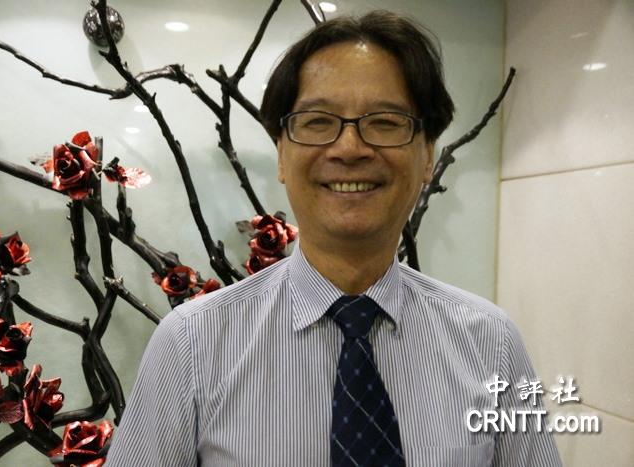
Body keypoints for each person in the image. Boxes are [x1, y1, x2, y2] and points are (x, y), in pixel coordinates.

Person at [105, 10, 561, 467]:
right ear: (281, 155)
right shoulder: (192, 344)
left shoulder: (491, 344)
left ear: (428, 156)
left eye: (385, 121)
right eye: (318, 121)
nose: (349, 148)